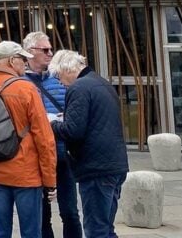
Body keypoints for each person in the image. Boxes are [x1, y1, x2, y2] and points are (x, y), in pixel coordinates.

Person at [0, 40, 57, 238]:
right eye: (23, 59)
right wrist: (50, 181)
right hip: (27, 174)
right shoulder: (26, 89)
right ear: (12, 61)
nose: (25, 63)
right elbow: (45, 139)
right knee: (31, 233)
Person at [49, 49, 129, 238]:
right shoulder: (102, 83)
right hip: (115, 165)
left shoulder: (79, 88)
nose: (60, 82)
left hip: (95, 169)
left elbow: (73, 131)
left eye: (59, 76)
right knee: (106, 228)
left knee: (95, 230)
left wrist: (51, 124)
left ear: (67, 69)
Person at [21, 32, 81, 238]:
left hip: (63, 154)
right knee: (41, 215)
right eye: (45, 50)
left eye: (50, 49)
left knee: (70, 212)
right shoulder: (21, 83)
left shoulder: (59, 80)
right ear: (30, 53)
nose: (50, 54)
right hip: (36, 158)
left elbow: (74, 113)